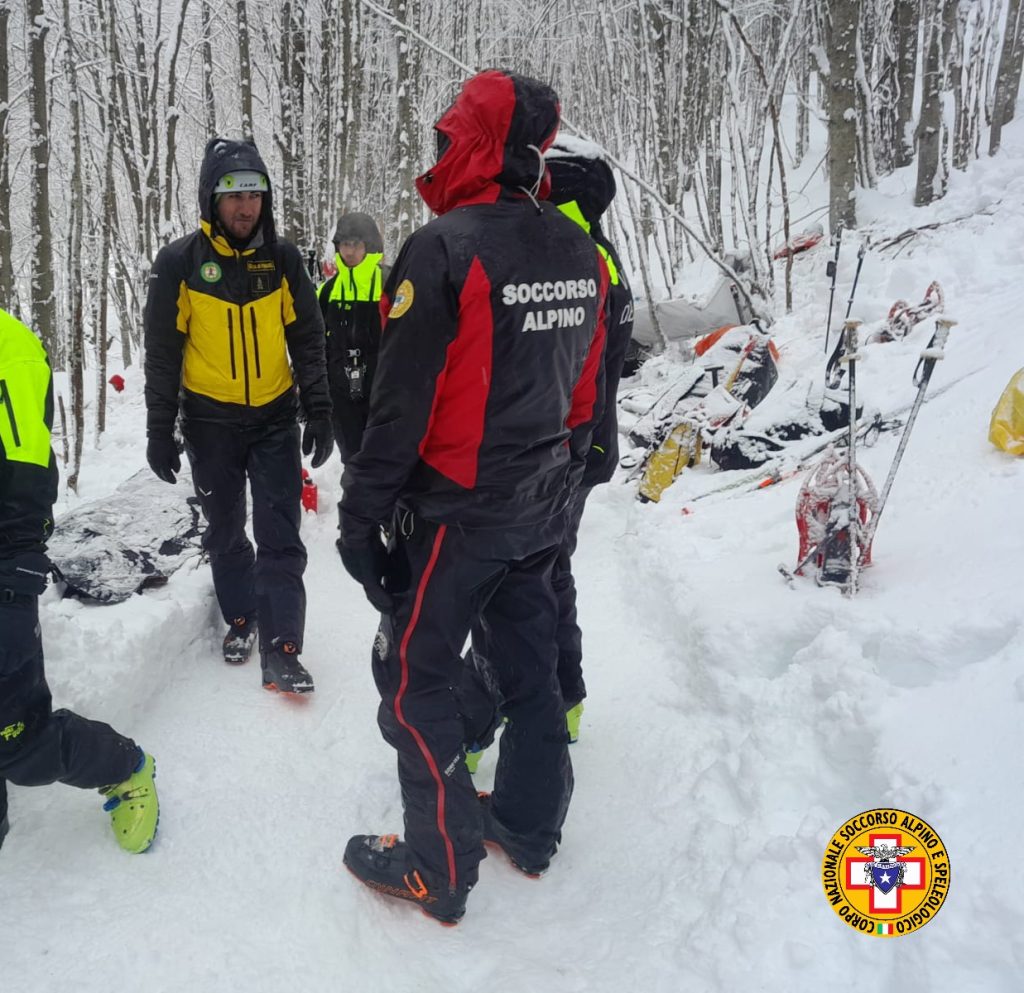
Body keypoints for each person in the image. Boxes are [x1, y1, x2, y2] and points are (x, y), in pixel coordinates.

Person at [337, 69, 609, 925]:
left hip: (459, 517)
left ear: (477, 144)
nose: (439, 150)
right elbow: (583, 398)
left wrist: (360, 516)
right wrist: (560, 484)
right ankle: (528, 822)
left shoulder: (445, 248)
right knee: (531, 669)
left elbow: (399, 408)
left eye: (449, 137)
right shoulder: (578, 251)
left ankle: (439, 866)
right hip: (539, 506)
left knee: (414, 680)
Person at [462, 138, 635, 770]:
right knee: (548, 574)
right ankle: (563, 700)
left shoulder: (570, 255)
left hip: (556, 450)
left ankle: (486, 718)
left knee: (516, 586)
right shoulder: (596, 253)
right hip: (578, 446)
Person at [143, 137, 332, 694]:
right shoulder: (180, 263)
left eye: (254, 194)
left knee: (280, 534)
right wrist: (159, 429)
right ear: (211, 199)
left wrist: (319, 407)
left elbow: (308, 337)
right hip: (209, 423)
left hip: (274, 417)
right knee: (225, 530)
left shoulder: (284, 260)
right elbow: (163, 353)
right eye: (233, 196)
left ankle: (283, 647)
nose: (245, 207)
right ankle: (243, 617)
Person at [0, 307, 158, 853]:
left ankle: (124, 767)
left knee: (16, 739)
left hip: (3, 562)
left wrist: (16, 563)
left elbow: (24, 468)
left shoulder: (8, 347)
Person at [317, 213, 388, 462]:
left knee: (385, 462)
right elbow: (316, 344)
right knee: (352, 461)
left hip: (383, 395)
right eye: (344, 244)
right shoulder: (327, 292)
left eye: (356, 244)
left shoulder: (390, 284)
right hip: (342, 397)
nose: (349, 251)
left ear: (370, 245)